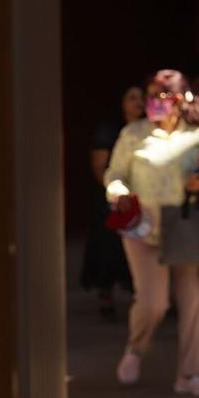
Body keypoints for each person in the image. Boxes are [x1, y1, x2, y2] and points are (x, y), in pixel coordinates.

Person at [104, 69, 199, 397]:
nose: (156, 101)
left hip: (185, 226)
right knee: (153, 302)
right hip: (142, 226)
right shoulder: (133, 133)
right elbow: (115, 172)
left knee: (194, 301)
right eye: (151, 95)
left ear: (182, 98)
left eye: (163, 95)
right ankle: (136, 349)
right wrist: (117, 192)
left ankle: (189, 374)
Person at [81, 85, 144, 319]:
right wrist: (116, 193)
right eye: (132, 98)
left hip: (142, 195)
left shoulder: (149, 129)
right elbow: (100, 166)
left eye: (141, 98)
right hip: (114, 197)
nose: (138, 103)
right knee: (108, 248)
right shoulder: (109, 129)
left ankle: (140, 297)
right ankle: (106, 296)